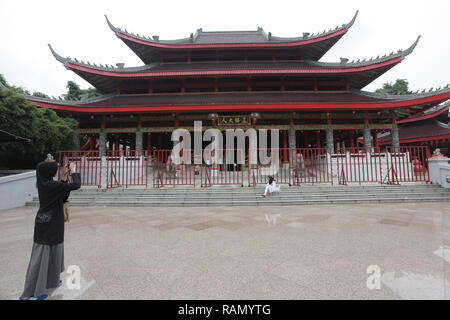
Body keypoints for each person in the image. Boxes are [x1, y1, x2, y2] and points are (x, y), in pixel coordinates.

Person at [19, 160, 81, 300]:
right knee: (41, 256)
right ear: (49, 172)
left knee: (54, 252)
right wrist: (74, 170)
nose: (57, 169)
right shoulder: (51, 185)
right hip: (48, 225)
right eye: (55, 168)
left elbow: (63, 195)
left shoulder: (45, 184)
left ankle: (52, 280)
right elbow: (76, 185)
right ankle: (32, 292)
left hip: (52, 223)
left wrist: (64, 177)